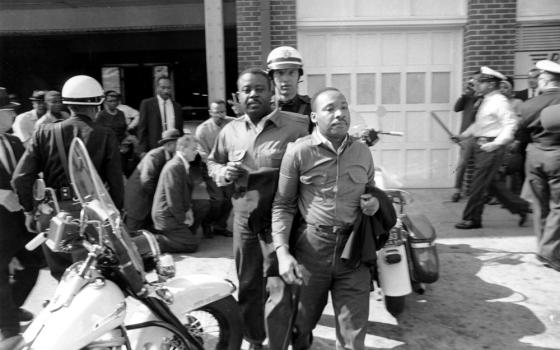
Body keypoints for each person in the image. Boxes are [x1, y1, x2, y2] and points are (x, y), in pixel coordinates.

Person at [271, 87, 382, 349]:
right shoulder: (298, 153)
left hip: (352, 251)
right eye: (330, 108)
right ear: (313, 116)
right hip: (311, 250)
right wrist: (282, 253)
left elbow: (371, 191)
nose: (340, 113)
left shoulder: (363, 153)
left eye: (344, 107)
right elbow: (283, 205)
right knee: (300, 327)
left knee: (353, 338)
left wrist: (374, 203)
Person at [207, 68, 309, 349]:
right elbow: (212, 162)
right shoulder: (229, 131)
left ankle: (281, 341)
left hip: (279, 221)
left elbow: (322, 149)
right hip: (243, 219)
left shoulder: (297, 126)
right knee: (249, 283)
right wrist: (222, 172)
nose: (253, 94)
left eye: (259, 89)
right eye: (246, 90)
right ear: (238, 96)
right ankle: (254, 338)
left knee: (279, 285)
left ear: (271, 92)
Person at [12, 75, 124, 281]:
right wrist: (117, 214)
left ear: (68, 104)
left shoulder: (43, 132)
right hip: (89, 216)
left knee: (63, 279)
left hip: (52, 215)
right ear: (96, 106)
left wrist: (30, 210)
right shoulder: (105, 134)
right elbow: (116, 183)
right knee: (90, 279)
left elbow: (20, 178)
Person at [453, 67, 531, 230]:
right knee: (492, 184)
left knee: (478, 184)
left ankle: (471, 219)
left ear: (491, 84)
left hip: (490, 146)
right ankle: (522, 207)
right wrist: (464, 135)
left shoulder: (499, 101)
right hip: (480, 143)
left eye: (481, 82)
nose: (477, 84)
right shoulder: (485, 99)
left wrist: (496, 143)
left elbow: (511, 124)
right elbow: (480, 124)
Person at [0, 88, 41, 344]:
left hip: (19, 222)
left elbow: (26, 174)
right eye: (9, 111)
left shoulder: (14, 141)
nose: (14, 115)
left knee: (33, 265)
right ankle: (9, 330)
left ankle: (10, 308)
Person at [516, 59, 560, 272]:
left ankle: (544, 249)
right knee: (558, 207)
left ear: (544, 80)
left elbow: (521, 133)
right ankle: (549, 252)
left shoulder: (528, 105)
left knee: (540, 204)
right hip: (557, 154)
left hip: (533, 154)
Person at [151, 133, 200, 253]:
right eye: (193, 149)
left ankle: (179, 235)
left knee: (203, 205)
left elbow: (183, 194)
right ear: (182, 149)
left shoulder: (181, 165)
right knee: (192, 245)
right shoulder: (174, 167)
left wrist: (188, 210)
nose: (196, 152)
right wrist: (183, 219)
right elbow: (173, 199)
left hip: (172, 213)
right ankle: (156, 242)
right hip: (166, 216)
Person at [124, 129, 179, 231]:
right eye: (178, 144)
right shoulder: (154, 156)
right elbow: (146, 181)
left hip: (148, 201)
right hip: (138, 201)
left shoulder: (171, 157)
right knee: (132, 232)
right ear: (169, 145)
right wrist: (160, 196)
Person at [195, 99, 235, 238]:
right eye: (216, 112)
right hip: (211, 168)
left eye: (223, 111)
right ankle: (207, 223)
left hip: (228, 166)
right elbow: (204, 156)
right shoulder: (202, 130)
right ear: (210, 112)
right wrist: (218, 170)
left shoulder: (231, 123)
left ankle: (220, 226)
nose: (220, 115)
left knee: (230, 198)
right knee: (217, 199)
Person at [451, 75, 482, 202]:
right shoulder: (468, 98)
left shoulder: (485, 99)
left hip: (481, 136)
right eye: (471, 83)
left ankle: (479, 192)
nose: (472, 85)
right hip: (466, 136)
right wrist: (465, 94)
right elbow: (456, 108)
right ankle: (457, 190)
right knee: (462, 164)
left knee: (481, 166)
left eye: (474, 82)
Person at [137, 76, 183, 154]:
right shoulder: (147, 104)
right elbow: (142, 129)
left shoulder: (177, 107)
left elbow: (180, 130)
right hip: (154, 149)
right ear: (157, 88)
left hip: (173, 149)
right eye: (163, 87)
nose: (166, 91)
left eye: (168, 88)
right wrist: (142, 150)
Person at [267, 46, 312, 123]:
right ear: (271, 76)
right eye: (280, 73)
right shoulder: (264, 108)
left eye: (291, 72)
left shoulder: (311, 108)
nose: (285, 79)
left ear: (299, 75)